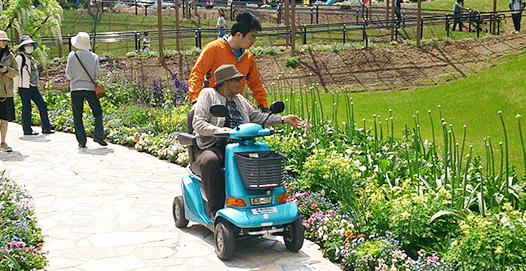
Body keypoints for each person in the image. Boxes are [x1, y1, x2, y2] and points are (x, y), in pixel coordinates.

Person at [192, 64, 306, 218]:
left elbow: (258, 117)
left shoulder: (239, 99)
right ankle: (215, 210)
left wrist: (283, 119)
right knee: (209, 161)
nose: (241, 84)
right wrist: (217, 130)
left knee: (266, 157)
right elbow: (198, 123)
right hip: (215, 146)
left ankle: (266, 203)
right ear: (226, 82)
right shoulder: (208, 94)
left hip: (241, 146)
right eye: (237, 80)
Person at [188, 12, 269, 112]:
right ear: (239, 35)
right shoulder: (214, 48)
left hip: (236, 107)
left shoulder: (248, 57)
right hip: (212, 107)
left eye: (255, 37)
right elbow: (197, 74)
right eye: (252, 37)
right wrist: (196, 101)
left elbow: (256, 83)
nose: (254, 41)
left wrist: (264, 107)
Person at [65, 32, 107, 148]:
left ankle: (82, 141)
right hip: (90, 88)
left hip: (76, 88)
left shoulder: (72, 55)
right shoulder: (94, 56)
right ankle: (98, 134)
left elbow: (68, 73)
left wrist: (75, 78)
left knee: (77, 115)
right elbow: (97, 74)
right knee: (97, 112)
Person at [14, 35, 54, 136]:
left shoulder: (31, 58)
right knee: (27, 107)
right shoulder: (20, 58)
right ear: (23, 47)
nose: (29, 47)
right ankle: (27, 129)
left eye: (31, 45)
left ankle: (46, 127)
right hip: (23, 86)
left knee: (42, 104)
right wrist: (15, 88)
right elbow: (16, 74)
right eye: (27, 45)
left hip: (32, 85)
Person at [0, 31, 19, 152]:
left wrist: (6, 70)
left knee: (5, 119)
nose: (4, 42)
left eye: (5, 40)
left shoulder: (10, 56)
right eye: (2, 40)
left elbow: (16, 72)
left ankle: (3, 141)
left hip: (6, 92)